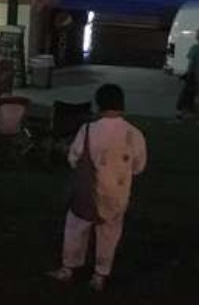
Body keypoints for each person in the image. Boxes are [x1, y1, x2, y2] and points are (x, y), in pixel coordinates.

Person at [48, 84, 147, 292]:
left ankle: (69, 267)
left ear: (99, 104)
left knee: (76, 227)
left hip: (88, 191)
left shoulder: (88, 130)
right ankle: (100, 274)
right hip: (117, 195)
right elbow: (139, 166)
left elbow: (74, 158)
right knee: (109, 232)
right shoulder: (134, 133)